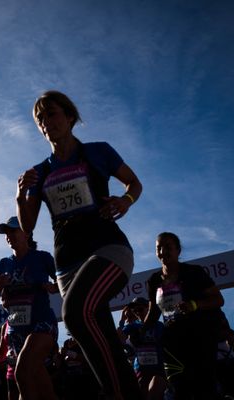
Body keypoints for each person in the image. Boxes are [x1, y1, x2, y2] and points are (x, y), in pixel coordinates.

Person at [16, 90, 142, 399]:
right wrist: (21, 195)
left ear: (70, 117)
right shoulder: (40, 172)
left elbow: (133, 183)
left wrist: (125, 201)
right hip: (67, 264)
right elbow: (27, 225)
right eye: (40, 119)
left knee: (74, 313)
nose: (47, 122)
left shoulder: (99, 152)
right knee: (97, 334)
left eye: (53, 114)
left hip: (107, 249)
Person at [144, 232, 225, 400]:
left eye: (168, 247)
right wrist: (142, 330)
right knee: (179, 389)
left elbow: (218, 299)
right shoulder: (153, 280)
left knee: (204, 389)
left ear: (178, 250)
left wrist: (194, 305)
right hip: (172, 344)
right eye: (158, 248)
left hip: (200, 339)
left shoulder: (194, 272)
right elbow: (153, 312)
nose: (163, 251)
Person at [0, 216, 59, 400]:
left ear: (26, 233)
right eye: (6, 232)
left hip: (41, 323)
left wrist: (54, 286)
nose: (9, 235)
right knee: (37, 379)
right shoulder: (3, 263)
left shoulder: (42, 258)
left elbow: (64, 280)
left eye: (13, 230)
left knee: (22, 373)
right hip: (16, 330)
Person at [122, 297, 166, 400]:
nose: (137, 312)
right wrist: (122, 320)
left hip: (158, 369)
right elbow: (118, 339)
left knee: (155, 390)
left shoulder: (159, 326)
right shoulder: (132, 326)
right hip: (141, 370)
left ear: (148, 309)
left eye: (140, 309)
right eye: (134, 311)